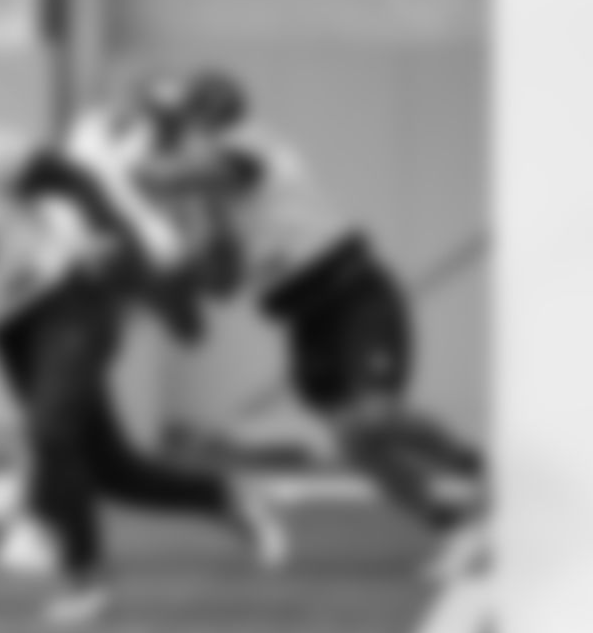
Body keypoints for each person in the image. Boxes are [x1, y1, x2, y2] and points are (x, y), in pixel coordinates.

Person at [0, 110, 281, 625]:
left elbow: (70, 175)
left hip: (65, 303)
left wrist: (106, 229)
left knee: (50, 433)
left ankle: (85, 576)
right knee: (113, 472)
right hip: (8, 334)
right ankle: (224, 496)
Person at [132, 69, 484, 534]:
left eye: (189, 124)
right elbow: (224, 284)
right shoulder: (213, 197)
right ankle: (441, 515)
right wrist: (196, 249)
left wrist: (147, 167)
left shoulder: (249, 143)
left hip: (352, 294)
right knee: (354, 441)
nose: (184, 136)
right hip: (304, 318)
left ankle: (470, 461)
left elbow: (184, 173)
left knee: (373, 418)